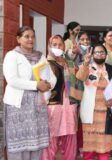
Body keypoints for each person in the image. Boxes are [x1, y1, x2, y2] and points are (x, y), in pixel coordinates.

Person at [3, 26, 56, 160]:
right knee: (19, 144)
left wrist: (48, 84)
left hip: (38, 106)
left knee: (36, 144)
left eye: (32, 36)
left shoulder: (41, 57)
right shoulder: (12, 55)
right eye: (26, 36)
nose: (30, 39)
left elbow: (52, 77)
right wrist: (36, 85)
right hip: (18, 106)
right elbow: (12, 80)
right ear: (18, 39)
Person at [76, 44, 112, 160]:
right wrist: (86, 63)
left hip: (107, 112)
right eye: (96, 52)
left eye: (102, 52)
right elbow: (80, 77)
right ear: (92, 55)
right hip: (90, 112)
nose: (99, 54)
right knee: (89, 145)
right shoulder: (86, 66)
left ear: (106, 55)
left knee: (104, 144)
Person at [41, 35, 82, 160]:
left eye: (60, 45)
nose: (58, 47)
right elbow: (43, 87)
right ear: (49, 46)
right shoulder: (45, 63)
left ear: (64, 47)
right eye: (54, 44)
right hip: (53, 106)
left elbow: (78, 81)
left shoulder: (69, 63)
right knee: (51, 138)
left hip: (69, 105)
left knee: (70, 136)